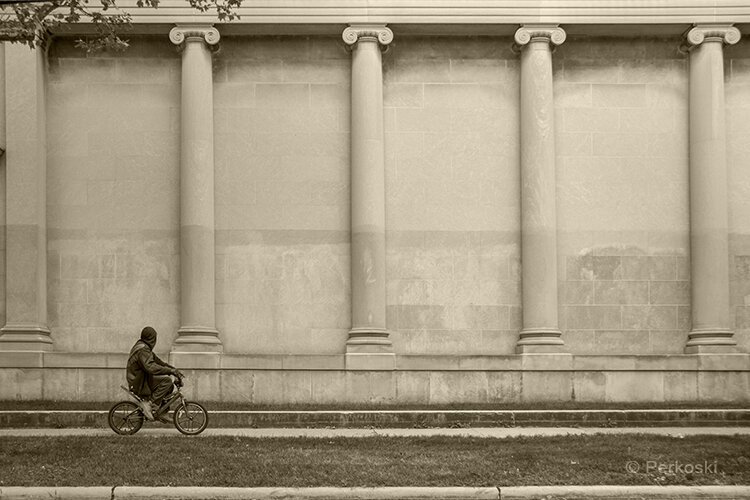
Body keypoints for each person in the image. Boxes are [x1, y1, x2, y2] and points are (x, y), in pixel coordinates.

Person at [126, 326, 182, 422]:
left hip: (142, 379)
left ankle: (162, 412)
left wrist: (174, 370)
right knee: (167, 381)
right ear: (152, 338)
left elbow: (159, 362)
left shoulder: (144, 348)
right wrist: (170, 372)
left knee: (169, 387)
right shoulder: (143, 350)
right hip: (138, 382)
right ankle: (149, 404)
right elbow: (150, 367)